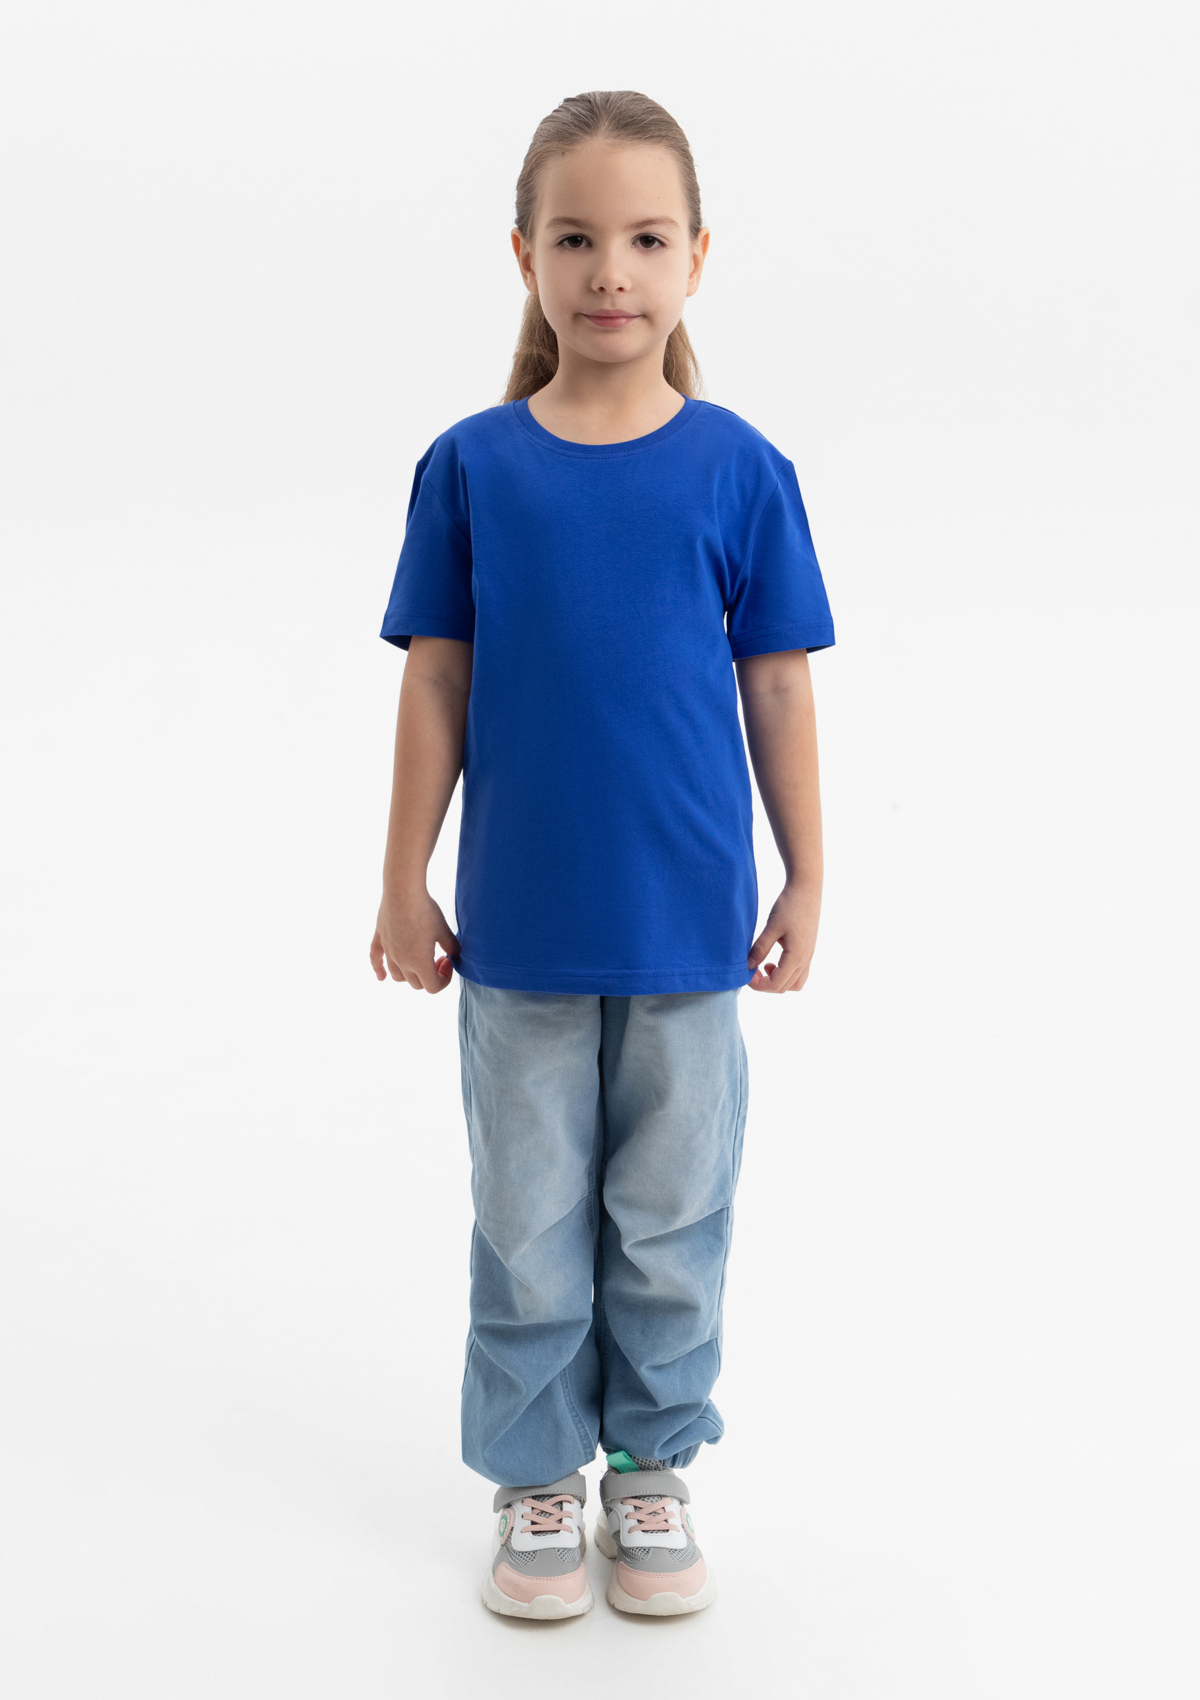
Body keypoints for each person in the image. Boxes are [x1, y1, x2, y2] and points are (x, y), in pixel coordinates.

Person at [370, 90, 834, 1620]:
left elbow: (778, 686)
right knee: (527, 1221)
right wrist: (401, 877)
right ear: (526, 256)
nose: (609, 272)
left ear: (697, 256)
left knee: (671, 1221)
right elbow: (437, 680)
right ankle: (534, 1476)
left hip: (690, 932)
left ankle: (650, 1464)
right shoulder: (472, 467)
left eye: (644, 238)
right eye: (575, 239)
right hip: (518, 935)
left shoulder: (741, 470)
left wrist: (809, 874)